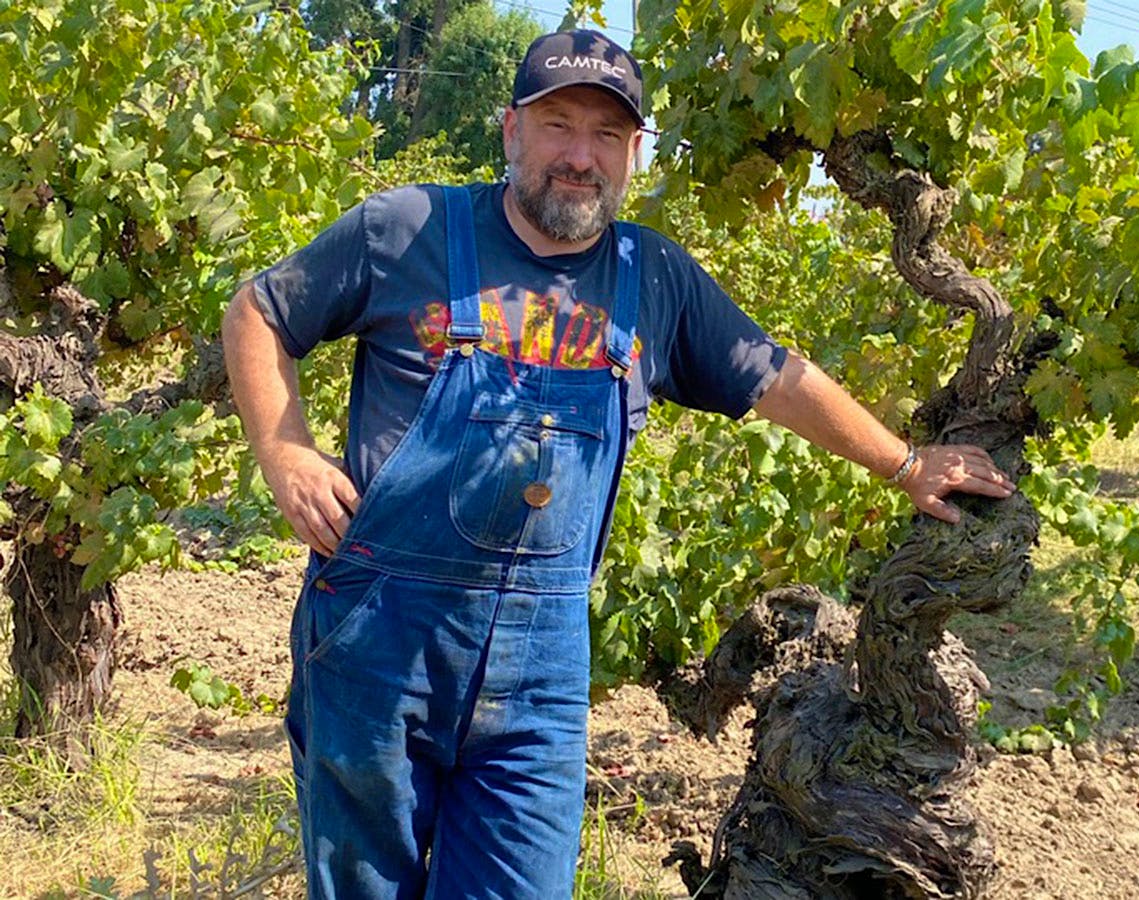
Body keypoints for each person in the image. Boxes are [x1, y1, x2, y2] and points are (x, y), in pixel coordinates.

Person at [221, 29, 1014, 900]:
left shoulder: (653, 278)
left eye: (605, 136)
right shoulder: (407, 228)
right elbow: (258, 310)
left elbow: (779, 377)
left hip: (539, 678)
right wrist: (284, 448)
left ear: (633, 152)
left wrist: (905, 464)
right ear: (511, 131)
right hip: (378, 645)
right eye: (557, 124)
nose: (579, 156)